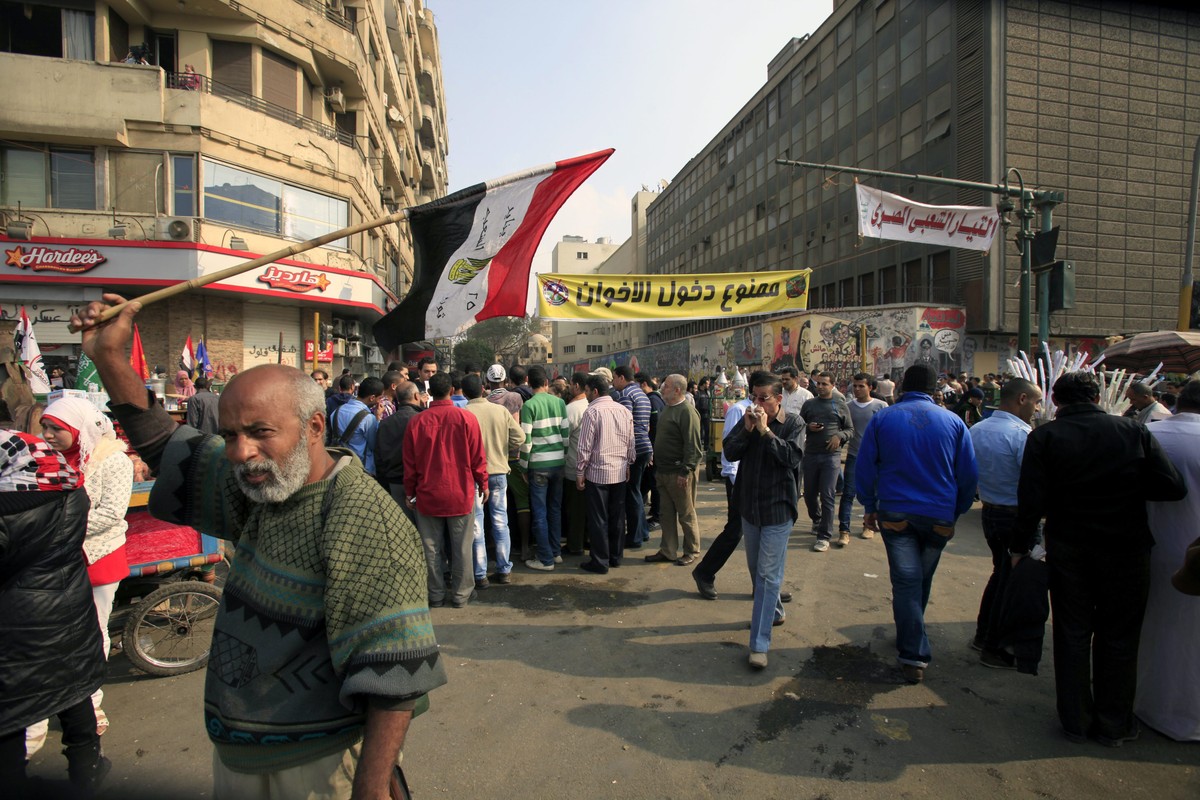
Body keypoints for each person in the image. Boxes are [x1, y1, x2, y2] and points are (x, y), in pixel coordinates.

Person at [71, 295, 446, 797]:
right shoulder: (263, 485)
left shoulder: (361, 516)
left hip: (317, 765)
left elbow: (393, 675)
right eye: (229, 435)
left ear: (314, 427)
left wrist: (372, 787)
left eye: (259, 432)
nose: (240, 451)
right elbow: (170, 447)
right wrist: (109, 358)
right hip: (242, 755)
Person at [1013, 371, 1185, 746]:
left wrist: (1020, 546)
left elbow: (1031, 502)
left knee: (1072, 632)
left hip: (1070, 546)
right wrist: (1127, 486)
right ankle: (1114, 723)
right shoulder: (1134, 432)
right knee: (1120, 635)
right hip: (1126, 547)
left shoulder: (1044, 437)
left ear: (1057, 402)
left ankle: (1075, 720)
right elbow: (1172, 486)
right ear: (1097, 398)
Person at [0, 432, 111, 797]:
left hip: (19, 623)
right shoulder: (68, 486)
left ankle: (13, 780)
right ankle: (88, 769)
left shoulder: (13, 506)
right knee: (72, 689)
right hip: (70, 608)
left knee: (11, 709)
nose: (50, 432)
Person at [856, 364, 979, 684]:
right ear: (933, 388)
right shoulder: (953, 422)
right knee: (920, 578)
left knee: (908, 581)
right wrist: (957, 511)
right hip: (939, 515)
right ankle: (911, 639)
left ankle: (913, 651)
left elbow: (865, 466)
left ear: (901, 387)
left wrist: (869, 505)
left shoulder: (883, 419)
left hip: (895, 513)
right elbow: (968, 475)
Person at [36, 397, 134, 742]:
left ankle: (91, 702)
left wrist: (54, 525)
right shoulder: (48, 459)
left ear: (78, 429)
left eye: (56, 429)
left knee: (93, 631)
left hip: (98, 556)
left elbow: (110, 514)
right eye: (45, 427)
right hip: (56, 556)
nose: (47, 435)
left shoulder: (113, 460)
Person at [721, 371, 803, 669]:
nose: (756, 404)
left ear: (778, 399)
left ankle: (759, 644)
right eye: (753, 397)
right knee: (758, 572)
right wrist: (746, 429)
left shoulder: (793, 423)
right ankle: (776, 611)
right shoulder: (748, 420)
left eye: (763, 398)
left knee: (768, 576)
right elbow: (729, 451)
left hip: (778, 509)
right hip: (750, 508)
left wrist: (766, 432)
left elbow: (791, 458)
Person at [1136, 379, 1200, 741]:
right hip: (1192, 554)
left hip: (1153, 548)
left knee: (1154, 629)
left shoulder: (1151, 435)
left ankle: (1149, 703)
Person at [967, 377, 1042, 668]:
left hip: (990, 511)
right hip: (1015, 516)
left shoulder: (979, 429)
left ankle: (983, 636)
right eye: (1035, 402)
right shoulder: (1021, 435)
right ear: (1022, 399)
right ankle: (994, 645)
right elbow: (1032, 480)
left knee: (1001, 575)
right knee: (1012, 581)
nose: (1037, 409)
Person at [404, 373, 488, 608]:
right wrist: (484, 483)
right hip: (460, 494)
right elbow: (477, 458)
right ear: (452, 390)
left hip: (427, 494)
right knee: (462, 547)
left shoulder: (417, 422)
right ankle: (461, 595)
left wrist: (409, 493)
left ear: (429, 392)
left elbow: (410, 465)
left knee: (430, 549)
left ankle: (436, 595)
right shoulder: (466, 419)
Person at [463, 374, 524, 587]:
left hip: (472, 476)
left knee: (477, 523)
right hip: (498, 472)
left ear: (463, 392)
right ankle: (504, 569)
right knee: (500, 521)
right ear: (483, 388)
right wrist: (502, 449)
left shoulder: (463, 413)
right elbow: (520, 437)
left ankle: (480, 575)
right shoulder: (500, 411)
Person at [690, 391, 751, 601]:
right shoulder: (739, 411)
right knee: (735, 531)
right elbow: (729, 448)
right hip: (740, 482)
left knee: (765, 535)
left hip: (762, 483)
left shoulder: (778, 414)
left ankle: (767, 586)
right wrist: (734, 480)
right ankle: (704, 572)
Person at [576, 374, 636, 575]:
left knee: (598, 518)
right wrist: (628, 463)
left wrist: (579, 471)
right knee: (617, 516)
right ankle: (615, 557)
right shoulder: (624, 411)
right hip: (618, 471)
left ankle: (600, 561)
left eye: (586, 391)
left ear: (594, 391)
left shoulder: (592, 411)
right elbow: (630, 442)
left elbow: (584, 446)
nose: (585, 395)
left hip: (598, 473)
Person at [643, 374, 703, 566]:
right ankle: (668, 550)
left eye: (666, 386)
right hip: (663, 471)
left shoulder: (687, 412)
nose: (662, 388)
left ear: (677, 389)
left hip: (679, 473)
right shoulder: (668, 408)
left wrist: (686, 471)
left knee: (686, 513)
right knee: (666, 514)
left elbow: (693, 447)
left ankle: (691, 550)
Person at [519, 366, 570, 571]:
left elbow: (526, 441)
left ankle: (545, 558)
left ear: (529, 383)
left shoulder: (529, 405)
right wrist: (562, 456)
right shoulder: (559, 403)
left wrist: (524, 467)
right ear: (547, 382)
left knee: (539, 512)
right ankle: (555, 552)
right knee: (555, 509)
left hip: (538, 465)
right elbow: (565, 436)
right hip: (558, 462)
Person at [799, 372, 853, 552]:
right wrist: (808, 427)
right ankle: (817, 519)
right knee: (809, 494)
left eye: (824, 384)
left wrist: (839, 436)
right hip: (811, 454)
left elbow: (850, 429)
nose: (820, 387)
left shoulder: (839, 404)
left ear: (832, 385)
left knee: (827, 495)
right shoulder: (809, 405)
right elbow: (799, 425)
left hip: (831, 456)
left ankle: (824, 536)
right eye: (819, 384)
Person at [839, 373, 887, 543]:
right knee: (848, 494)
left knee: (874, 493)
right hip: (853, 456)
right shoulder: (848, 407)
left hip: (875, 458)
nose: (857, 389)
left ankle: (869, 526)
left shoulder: (881, 406)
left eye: (861, 386)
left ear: (870, 388)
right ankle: (844, 530)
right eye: (855, 386)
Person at [613, 366, 652, 548]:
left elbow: (625, 425)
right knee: (636, 491)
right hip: (644, 446)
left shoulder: (626, 395)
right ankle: (642, 532)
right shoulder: (641, 394)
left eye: (614, 379)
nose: (613, 383)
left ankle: (635, 536)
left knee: (632, 493)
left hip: (634, 448)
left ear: (621, 378)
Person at [376, 383, 423, 524]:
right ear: (416, 396)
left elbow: (379, 456)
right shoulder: (422, 420)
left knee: (402, 525)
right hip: (418, 483)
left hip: (393, 482)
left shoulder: (385, 423)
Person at [329, 376, 382, 475]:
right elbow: (373, 444)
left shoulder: (336, 411)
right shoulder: (369, 418)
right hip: (362, 469)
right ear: (372, 398)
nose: (379, 402)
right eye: (379, 398)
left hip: (339, 467)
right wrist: (377, 419)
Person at [562, 372, 590, 556]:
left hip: (573, 466)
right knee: (586, 509)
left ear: (577, 386)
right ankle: (585, 540)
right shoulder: (590, 406)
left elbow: (563, 440)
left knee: (575, 510)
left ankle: (575, 545)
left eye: (571, 384)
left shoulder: (571, 409)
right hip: (590, 467)